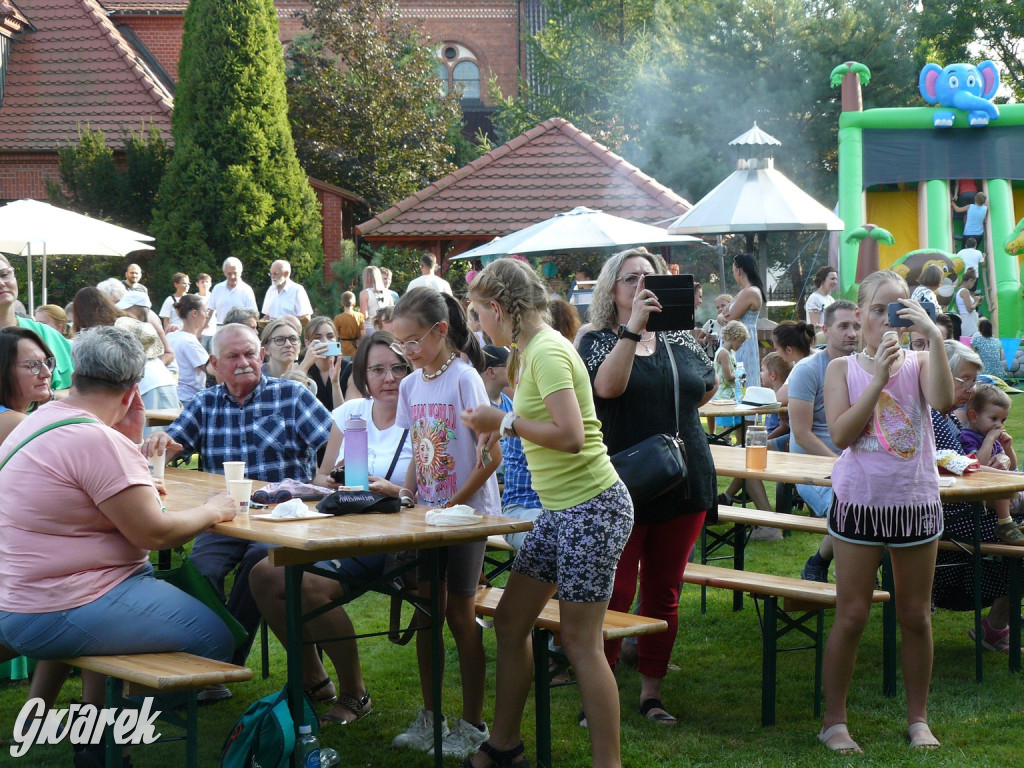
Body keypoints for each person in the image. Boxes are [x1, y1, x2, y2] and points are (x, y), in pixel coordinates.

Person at [0, 326, 236, 766]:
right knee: (217, 640)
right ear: (132, 390)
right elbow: (155, 534)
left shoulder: (39, 421)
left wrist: (127, 440)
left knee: (117, 627)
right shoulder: (96, 441)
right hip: (60, 604)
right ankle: (106, 737)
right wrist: (214, 509)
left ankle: (96, 734)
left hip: (22, 598)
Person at [462, 257, 632, 768]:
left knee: (581, 643)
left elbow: (572, 435)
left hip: (592, 509)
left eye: (476, 314)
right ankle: (505, 746)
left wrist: (507, 422)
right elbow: (536, 415)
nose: (476, 325)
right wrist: (501, 420)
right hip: (561, 513)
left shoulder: (549, 353)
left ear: (497, 307)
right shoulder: (527, 352)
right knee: (512, 623)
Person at [142, 324, 333, 675]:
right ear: (214, 364)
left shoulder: (291, 396)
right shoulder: (205, 403)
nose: (244, 362)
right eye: (233, 356)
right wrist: (158, 444)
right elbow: (169, 447)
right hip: (225, 519)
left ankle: (222, 663)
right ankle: (213, 656)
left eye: (249, 353)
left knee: (260, 565)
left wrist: (328, 480)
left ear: (262, 355)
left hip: (282, 517)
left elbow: (336, 446)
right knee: (202, 570)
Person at [577, 247, 715, 726]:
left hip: (685, 477)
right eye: (630, 279)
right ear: (611, 290)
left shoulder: (680, 338)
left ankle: (651, 694)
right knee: (615, 590)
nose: (641, 286)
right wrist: (633, 328)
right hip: (624, 482)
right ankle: (603, 687)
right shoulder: (597, 339)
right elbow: (607, 388)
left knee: (665, 592)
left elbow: (708, 383)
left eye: (649, 278)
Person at [818, 269, 951, 754]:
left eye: (898, 310)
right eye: (878, 310)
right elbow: (842, 436)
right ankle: (835, 722)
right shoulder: (842, 369)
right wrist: (876, 379)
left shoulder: (919, 361)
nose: (886, 320)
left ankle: (919, 719)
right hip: (860, 505)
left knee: (916, 616)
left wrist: (933, 335)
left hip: (914, 502)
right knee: (852, 615)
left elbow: (941, 399)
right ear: (859, 314)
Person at [251, 332, 414, 726]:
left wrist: (393, 490)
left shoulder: (421, 417)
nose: (388, 377)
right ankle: (314, 679)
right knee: (262, 574)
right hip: (339, 523)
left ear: (410, 371)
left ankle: (355, 693)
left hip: (393, 535)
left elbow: (429, 494)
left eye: (397, 368)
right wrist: (334, 482)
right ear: (363, 374)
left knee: (309, 585)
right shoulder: (350, 413)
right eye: (377, 369)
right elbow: (322, 476)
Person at [389, 287, 501, 757]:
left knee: (459, 612)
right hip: (428, 518)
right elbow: (420, 447)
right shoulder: (412, 385)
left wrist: (450, 506)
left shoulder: (464, 379)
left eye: (414, 342)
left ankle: (472, 724)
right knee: (425, 610)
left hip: (466, 518)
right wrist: (410, 496)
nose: (407, 353)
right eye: (400, 345)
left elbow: (489, 456)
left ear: (440, 331)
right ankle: (430, 716)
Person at [931, 340, 1024, 651]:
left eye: (973, 380)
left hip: (973, 510)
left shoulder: (949, 417)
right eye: (965, 380)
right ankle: (995, 627)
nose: (971, 388)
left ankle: (997, 626)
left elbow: (971, 470)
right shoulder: (931, 416)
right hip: (953, 519)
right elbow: (970, 472)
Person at [792, 300, 860, 582]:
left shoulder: (866, 366)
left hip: (857, 463)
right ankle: (819, 562)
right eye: (843, 326)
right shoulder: (808, 369)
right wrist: (840, 463)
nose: (852, 333)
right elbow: (802, 434)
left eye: (856, 326)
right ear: (825, 330)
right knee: (851, 510)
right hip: (813, 466)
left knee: (887, 505)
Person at [958, 383, 1024, 543]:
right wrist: (989, 440)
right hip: (990, 495)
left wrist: (1008, 449)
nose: (999, 425)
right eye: (994, 419)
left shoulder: (992, 437)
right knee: (998, 485)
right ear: (974, 416)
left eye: (1003, 420)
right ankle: (1004, 523)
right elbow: (978, 464)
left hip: (1011, 495)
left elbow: (1013, 466)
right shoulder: (968, 437)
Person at [0, 255, 74, 393]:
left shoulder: (47, 334)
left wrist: (50, 397)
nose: (1, 283)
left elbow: (84, 391)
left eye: (5, 275)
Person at [718, 254, 765, 387]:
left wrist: (721, 317)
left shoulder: (749, 292)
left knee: (742, 379)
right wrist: (720, 316)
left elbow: (727, 318)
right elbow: (723, 313)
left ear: (738, 270)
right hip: (739, 339)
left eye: (733, 270)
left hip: (741, 341)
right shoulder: (745, 292)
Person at [166, 294, 211, 405]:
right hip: (189, 400)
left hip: (173, 395)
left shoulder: (171, 336)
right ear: (194, 313)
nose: (207, 316)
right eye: (205, 311)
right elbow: (212, 369)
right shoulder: (189, 342)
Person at [208, 256, 259, 324]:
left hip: (239, 331)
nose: (232, 277)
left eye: (235, 273)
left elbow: (253, 314)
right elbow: (209, 311)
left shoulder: (246, 290)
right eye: (229, 273)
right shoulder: (217, 288)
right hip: (221, 330)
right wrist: (200, 330)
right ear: (224, 273)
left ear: (240, 272)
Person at [262, 259, 313, 323]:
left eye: (275, 274)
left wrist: (284, 322)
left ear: (286, 274)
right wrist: (263, 321)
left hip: (290, 331)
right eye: (271, 274)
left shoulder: (297, 290)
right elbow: (267, 315)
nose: (272, 277)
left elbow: (307, 317)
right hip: (273, 331)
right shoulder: (271, 289)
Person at [333, 290, 365, 362]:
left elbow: (335, 335)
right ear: (354, 303)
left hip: (343, 349)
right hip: (357, 347)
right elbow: (363, 334)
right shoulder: (360, 316)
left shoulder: (338, 318)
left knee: (345, 369)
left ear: (342, 303)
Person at [360, 266, 393, 335]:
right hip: (385, 328)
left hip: (370, 328)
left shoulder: (364, 293)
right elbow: (392, 311)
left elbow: (364, 315)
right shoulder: (387, 292)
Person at [805, 266, 838, 330]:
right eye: (832, 279)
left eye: (836, 279)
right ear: (822, 280)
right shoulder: (814, 298)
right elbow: (814, 325)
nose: (835, 282)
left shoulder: (831, 299)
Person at [955, 268, 982, 337]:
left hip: (966, 319)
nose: (973, 285)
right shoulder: (965, 291)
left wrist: (976, 302)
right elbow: (969, 309)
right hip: (969, 321)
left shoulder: (960, 290)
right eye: (973, 283)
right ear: (970, 280)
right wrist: (976, 302)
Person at [194, 272, 218, 350]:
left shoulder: (214, 297)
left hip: (214, 331)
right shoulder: (194, 298)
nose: (205, 284)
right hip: (200, 332)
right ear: (197, 284)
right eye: (202, 282)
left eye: (207, 282)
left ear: (210, 284)